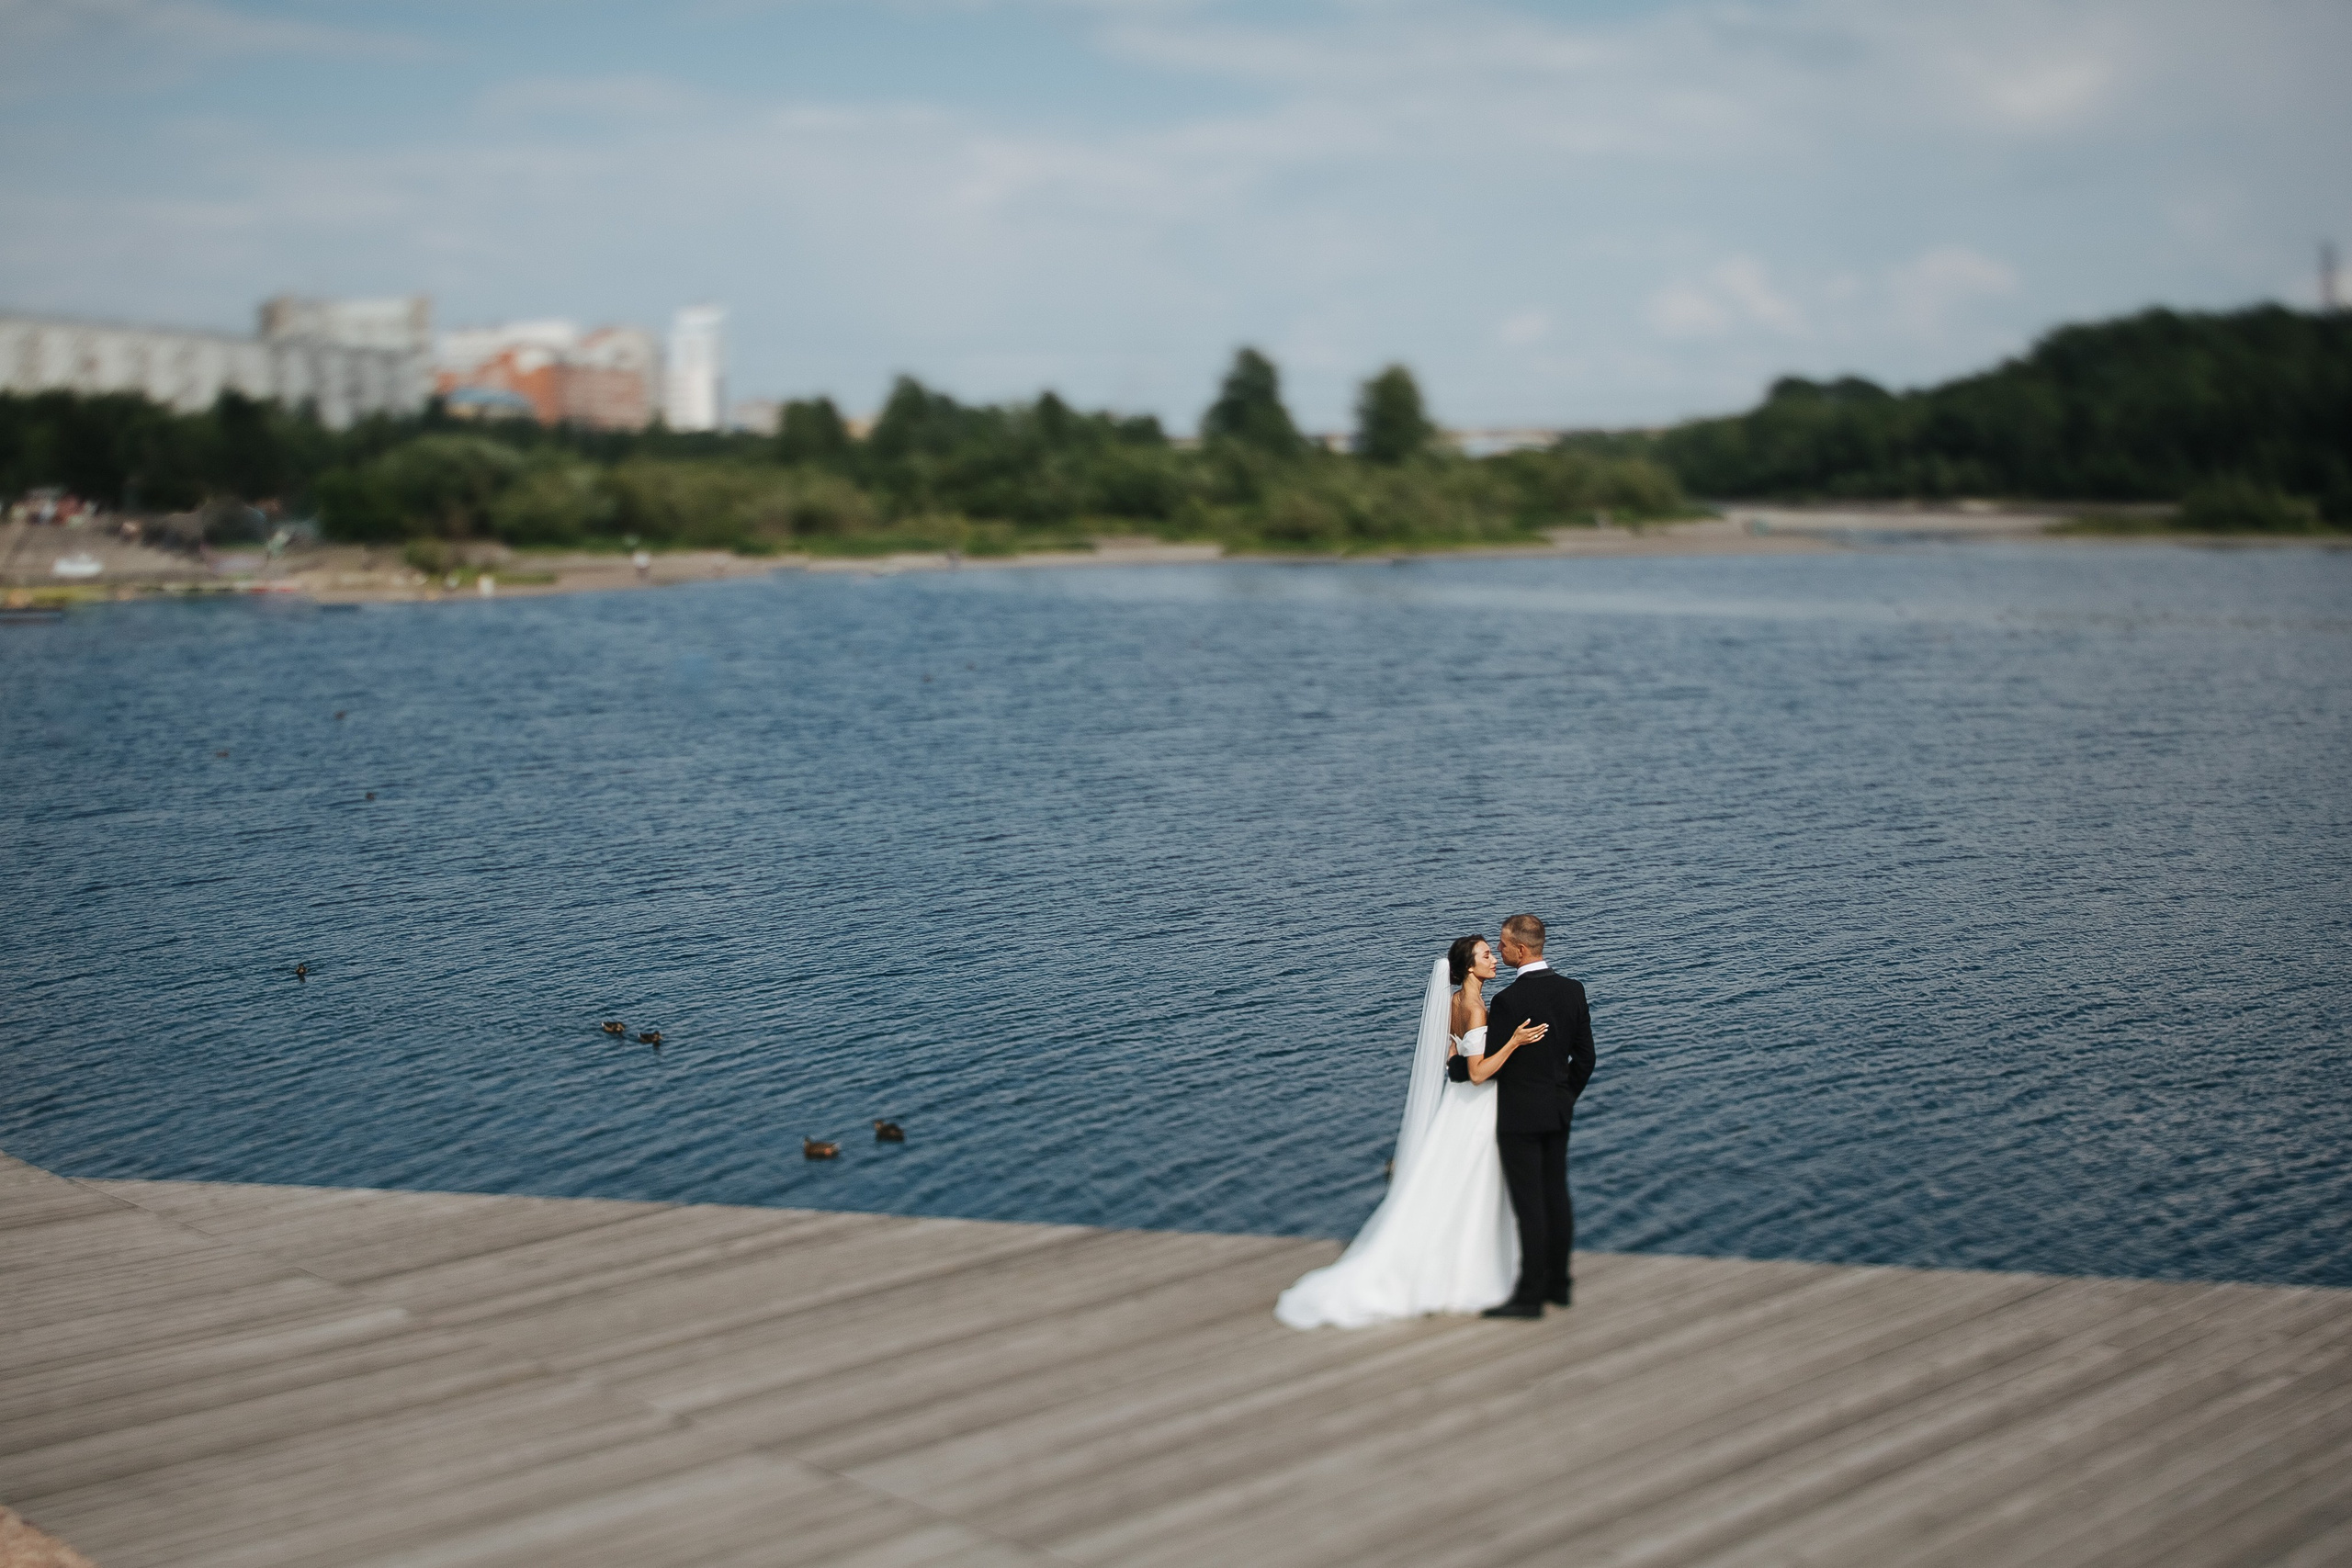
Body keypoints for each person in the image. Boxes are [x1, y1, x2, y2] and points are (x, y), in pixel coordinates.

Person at [1274, 934, 1549, 1328]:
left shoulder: (1454, 1002)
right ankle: (1471, 1272)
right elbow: (1476, 1074)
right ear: (1470, 967)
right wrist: (1515, 1043)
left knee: (1451, 1185)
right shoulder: (1473, 1008)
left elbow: (1451, 1060)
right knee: (1477, 1186)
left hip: (1452, 1107)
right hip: (1476, 1107)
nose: (1494, 959)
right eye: (1487, 955)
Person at [1447, 913, 1593, 1317]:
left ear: (1521, 950)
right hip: (1558, 1110)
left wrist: (1454, 1068)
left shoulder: (1508, 1002)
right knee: (1557, 1197)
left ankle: (1530, 1296)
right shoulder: (1573, 990)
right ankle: (1560, 1285)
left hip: (1518, 1117)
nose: (1501, 951)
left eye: (1504, 945)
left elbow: (1488, 1066)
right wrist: (1566, 1098)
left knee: (1529, 1206)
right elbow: (1586, 1058)